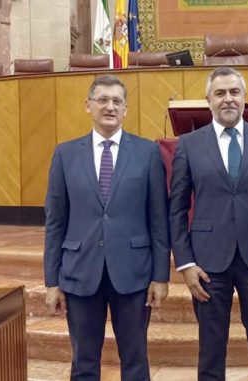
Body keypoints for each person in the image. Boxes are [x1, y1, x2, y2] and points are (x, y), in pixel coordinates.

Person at [169, 66, 248, 381]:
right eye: (220, 93)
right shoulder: (188, 145)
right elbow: (177, 208)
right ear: (208, 100)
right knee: (210, 354)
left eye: (234, 92)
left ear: (244, 97)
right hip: (207, 263)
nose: (228, 99)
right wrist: (185, 263)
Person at [43, 75, 170, 381]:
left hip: (134, 274)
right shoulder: (65, 154)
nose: (110, 107)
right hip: (79, 273)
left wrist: (160, 276)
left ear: (125, 108)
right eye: (102, 100)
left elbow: (158, 219)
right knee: (84, 362)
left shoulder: (147, 152)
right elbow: (55, 222)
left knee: (136, 360)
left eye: (116, 101)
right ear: (88, 105)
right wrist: (51, 281)